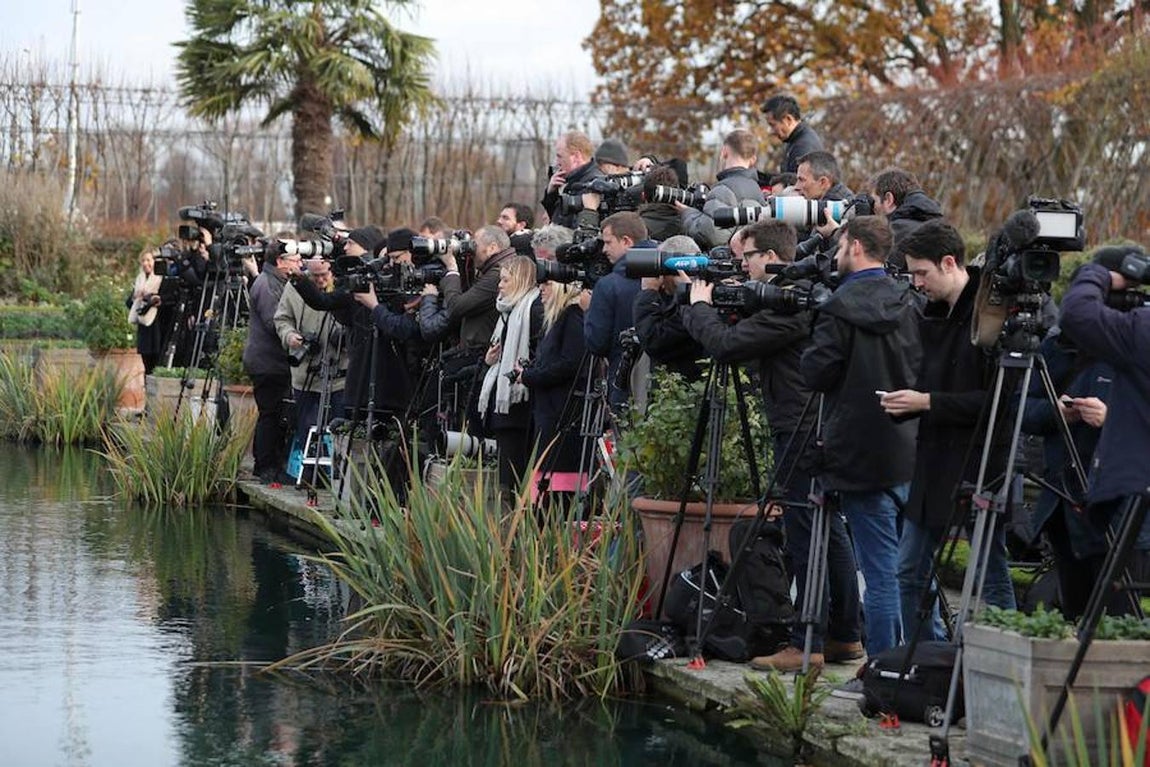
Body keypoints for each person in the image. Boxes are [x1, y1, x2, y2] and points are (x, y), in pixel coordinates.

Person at [681, 219, 862, 671]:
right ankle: (844, 635)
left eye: (747, 259)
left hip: (799, 425)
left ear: (770, 257)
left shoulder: (789, 305)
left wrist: (699, 307)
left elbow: (726, 345)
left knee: (806, 529)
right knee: (828, 529)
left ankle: (808, 642)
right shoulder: (788, 297)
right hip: (809, 421)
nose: (742, 268)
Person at [879, 219, 1015, 643]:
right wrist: (907, 403)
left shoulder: (992, 313)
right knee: (909, 571)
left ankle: (1006, 659)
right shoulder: (934, 314)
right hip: (935, 462)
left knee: (990, 574)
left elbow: (999, 402)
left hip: (980, 462)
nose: (917, 283)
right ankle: (927, 658)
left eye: (922, 273)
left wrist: (926, 402)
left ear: (949, 263)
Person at [800, 215, 921, 661]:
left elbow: (816, 372)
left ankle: (885, 667)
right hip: (910, 445)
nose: (835, 255)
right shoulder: (911, 300)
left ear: (854, 246)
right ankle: (924, 660)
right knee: (914, 569)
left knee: (881, 572)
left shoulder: (838, 308)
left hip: (858, 453)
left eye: (839, 246)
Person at [1058, 246, 1150, 612]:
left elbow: (1077, 313)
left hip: (1135, 492)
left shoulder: (1140, 331)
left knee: (1120, 616)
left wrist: (1099, 273)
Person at [1020, 327, 1114, 620]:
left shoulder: (1134, 345)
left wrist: (1111, 419)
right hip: (1060, 499)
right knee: (1075, 613)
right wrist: (1056, 411)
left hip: (1113, 507)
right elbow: (1021, 409)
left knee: (1118, 618)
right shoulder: (1057, 346)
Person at [273, 255, 347, 476]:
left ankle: (338, 474)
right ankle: (311, 473)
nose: (320, 281)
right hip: (305, 372)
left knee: (339, 428)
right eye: (315, 277)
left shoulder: (344, 287)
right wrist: (290, 336)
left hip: (340, 374)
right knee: (307, 427)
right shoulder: (295, 287)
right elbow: (282, 319)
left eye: (324, 275)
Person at [519, 278, 588, 511]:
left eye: (547, 283)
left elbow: (570, 363)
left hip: (562, 414)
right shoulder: (556, 318)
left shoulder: (572, 316)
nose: (541, 289)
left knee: (556, 492)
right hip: (549, 411)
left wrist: (530, 376)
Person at [478, 256, 543, 491]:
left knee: (516, 476)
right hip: (505, 403)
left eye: (505, 280)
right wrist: (489, 361)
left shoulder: (532, 309)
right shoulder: (508, 311)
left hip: (520, 402)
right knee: (507, 476)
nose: (500, 285)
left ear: (521, 280)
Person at [243, 246, 303, 484]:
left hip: (271, 361)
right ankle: (266, 466)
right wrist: (295, 333)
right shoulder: (267, 284)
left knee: (274, 414)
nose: (299, 264)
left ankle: (270, 464)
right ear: (280, 261)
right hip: (268, 362)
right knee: (271, 414)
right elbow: (274, 322)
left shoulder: (271, 280)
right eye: (295, 260)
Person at [584, 211, 648, 411]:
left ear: (626, 241)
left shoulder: (609, 285)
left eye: (608, 242)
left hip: (623, 380)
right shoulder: (666, 274)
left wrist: (588, 310)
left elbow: (597, 343)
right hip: (663, 383)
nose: (604, 250)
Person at [676, 128, 765, 250]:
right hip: (750, 257)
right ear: (753, 159)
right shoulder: (757, 190)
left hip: (726, 259)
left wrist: (687, 213)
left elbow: (709, 236)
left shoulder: (723, 190)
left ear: (724, 152)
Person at [869, 167, 943, 269]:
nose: (873, 208)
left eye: (874, 202)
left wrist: (860, 228)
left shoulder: (896, 232)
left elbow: (872, 271)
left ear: (888, 199)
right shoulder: (939, 225)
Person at [541, 130, 604, 229]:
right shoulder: (574, 181)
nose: (557, 163)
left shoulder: (594, 185)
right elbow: (556, 219)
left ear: (576, 156)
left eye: (560, 156)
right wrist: (551, 194)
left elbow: (572, 227)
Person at [761, 93, 825, 174]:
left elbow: (795, 180)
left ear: (788, 119)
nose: (771, 131)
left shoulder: (803, 147)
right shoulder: (795, 140)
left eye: (773, 125)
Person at [128, 246, 165, 374]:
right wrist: (136, 297)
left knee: (156, 363)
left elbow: (165, 300)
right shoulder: (140, 279)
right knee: (146, 365)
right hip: (144, 328)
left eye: (148, 260)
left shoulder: (161, 279)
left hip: (157, 326)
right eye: (143, 260)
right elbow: (129, 303)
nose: (145, 264)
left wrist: (151, 298)